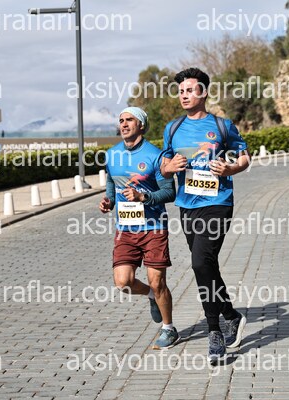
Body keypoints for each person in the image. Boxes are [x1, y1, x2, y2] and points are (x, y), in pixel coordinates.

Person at [160, 68, 250, 364]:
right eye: (181, 91)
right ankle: (231, 316)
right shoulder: (173, 128)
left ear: (204, 93)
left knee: (200, 262)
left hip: (218, 203)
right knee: (206, 266)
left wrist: (230, 168)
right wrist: (169, 167)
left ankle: (215, 332)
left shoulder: (222, 126)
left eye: (189, 90)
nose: (184, 95)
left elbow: (244, 156)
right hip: (187, 205)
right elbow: (164, 165)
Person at [100, 106, 180, 349]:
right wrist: (108, 201)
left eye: (130, 120)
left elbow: (169, 192)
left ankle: (169, 329)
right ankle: (150, 296)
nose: (124, 124)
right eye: (121, 120)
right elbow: (111, 184)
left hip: (153, 227)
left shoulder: (156, 155)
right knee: (123, 282)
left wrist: (143, 197)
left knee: (158, 282)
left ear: (141, 125)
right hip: (125, 229)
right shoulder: (112, 154)